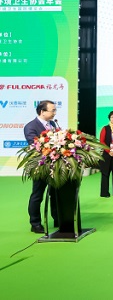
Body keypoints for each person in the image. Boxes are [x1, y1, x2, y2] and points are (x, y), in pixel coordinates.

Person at [24, 100, 59, 233]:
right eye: (52, 110)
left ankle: (57, 218)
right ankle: (35, 223)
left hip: (55, 165)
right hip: (41, 165)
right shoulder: (31, 126)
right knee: (38, 195)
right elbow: (34, 145)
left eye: (55, 110)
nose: (54, 113)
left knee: (55, 194)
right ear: (42, 112)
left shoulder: (53, 124)